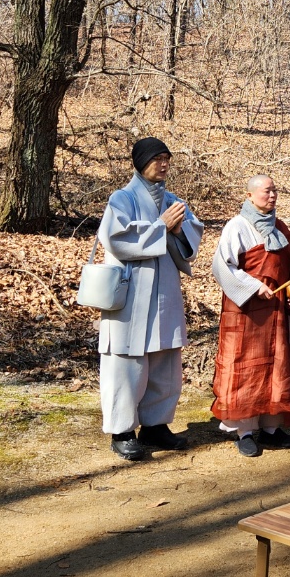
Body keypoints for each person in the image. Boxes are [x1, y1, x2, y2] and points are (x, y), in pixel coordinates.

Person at [97, 137, 204, 462]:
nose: (164, 163)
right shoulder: (122, 198)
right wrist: (161, 227)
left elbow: (190, 243)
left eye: (167, 158)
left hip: (165, 295)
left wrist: (175, 231)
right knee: (126, 365)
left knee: (164, 361)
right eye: (157, 158)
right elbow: (117, 240)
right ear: (141, 161)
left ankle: (156, 425)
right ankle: (123, 431)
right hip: (130, 297)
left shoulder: (173, 200)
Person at [209, 174, 290, 458]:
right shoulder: (237, 226)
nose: (272, 196)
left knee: (277, 364)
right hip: (246, 310)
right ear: (250, 196)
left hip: (277, 308)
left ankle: (271, 427)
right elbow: (222, 267)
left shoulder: (279, 227)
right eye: (266, 191)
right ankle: (244, 431)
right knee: (245, 366)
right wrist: (256, 287)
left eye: (274, 191)